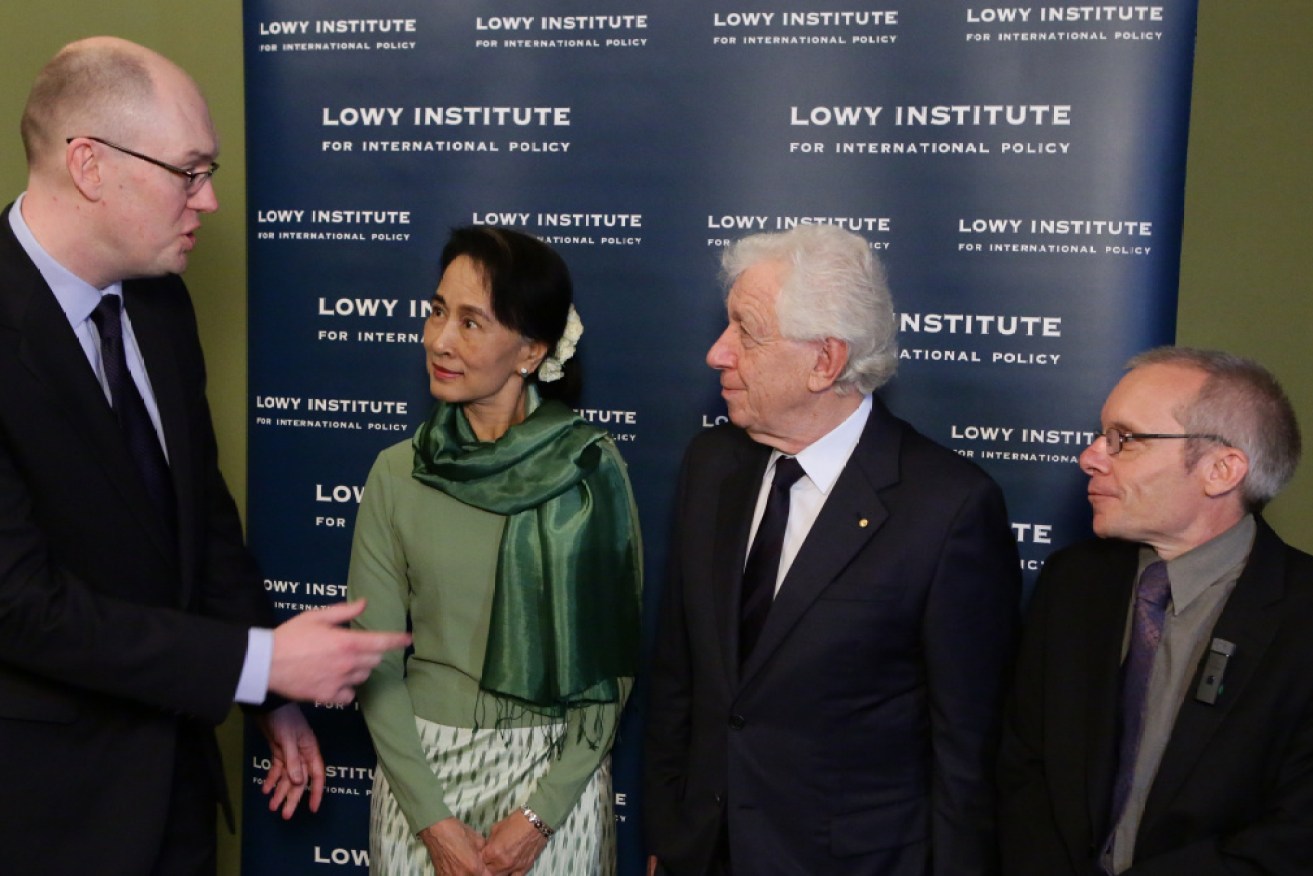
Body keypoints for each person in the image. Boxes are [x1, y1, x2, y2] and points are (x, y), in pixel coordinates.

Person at [0, 37, 412, 875]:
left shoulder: (159, 305)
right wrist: (258, 660)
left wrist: (266, 690)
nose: (211, 201)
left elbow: (201, 522)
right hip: (42, 817)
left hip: (177, 796)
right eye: (189, 171)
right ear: (89, 164)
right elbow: (19, 606)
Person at [644, 224, 1021, 875]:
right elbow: (680, 680)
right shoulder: (712, 466)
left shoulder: (947, 509)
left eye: (746, 331)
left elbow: (966, 756)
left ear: (825, 360)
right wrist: (666, 842)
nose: (716, 352)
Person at [348, 225, 642, 876]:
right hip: (420, 780)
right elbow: (373, 663)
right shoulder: (396, 474)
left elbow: (608, 670)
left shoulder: (589, 471)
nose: (439, 339)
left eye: (471, 322)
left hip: (552, 786)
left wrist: (540, 815)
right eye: (436, 311)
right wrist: (434, 824)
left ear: (530, 351)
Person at [997, 347, 1313, 875]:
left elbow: (1296, 834)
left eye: (1125, 439)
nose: (1090, 456)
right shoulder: (1074, 583)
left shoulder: (1301, 618)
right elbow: (1023, 767)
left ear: (1221, 470)